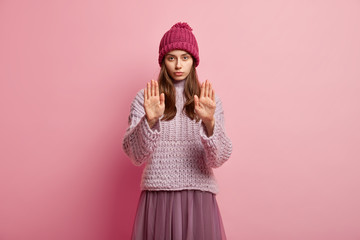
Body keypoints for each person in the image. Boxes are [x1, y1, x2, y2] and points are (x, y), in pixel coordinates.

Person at [122, 22, 233, 240]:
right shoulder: (146, 98)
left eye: (185, 57)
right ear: (163, 61)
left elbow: (218, 158)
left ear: (194, 61)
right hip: (158, 196)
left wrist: (209, 122)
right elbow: (135, 155)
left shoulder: (209, 100)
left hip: (198, 197)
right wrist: (150, 120)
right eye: (171, 58)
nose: (178, 65)